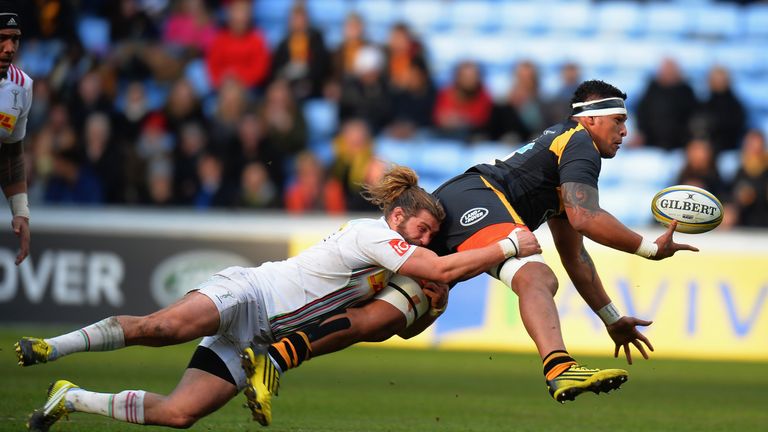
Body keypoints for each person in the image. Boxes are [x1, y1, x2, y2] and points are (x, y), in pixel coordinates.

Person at [244, 80, 700, 422]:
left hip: (470, 201)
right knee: (536, 276)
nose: (624, 131)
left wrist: (611, 317)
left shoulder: (562, 162)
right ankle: (560, 367)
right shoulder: (581, 145)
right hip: (478, 198)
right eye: (619, 121)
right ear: (592, 118)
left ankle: (277, 357)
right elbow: (584, 217)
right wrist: (647, 247)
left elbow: (576, 253)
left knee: (383, 319)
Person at [16, 165, 541, 430]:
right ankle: (52, 346)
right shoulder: (373, 236)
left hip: (260, 335)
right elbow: (442, 265)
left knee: (178, 415)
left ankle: (71, 397)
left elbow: (398, 326)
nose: (426, 240)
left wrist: (433, 308)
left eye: (430, 235)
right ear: (398, 217)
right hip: (249, 293)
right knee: (162, 329)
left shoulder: (398, 262)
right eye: (423, 229)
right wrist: (508, 243)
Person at [0, 7, 33, 265]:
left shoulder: (22, 87)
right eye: (1, 38)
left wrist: (21, 212)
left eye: (15, 39)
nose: (9, 47)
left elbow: (10, 151)